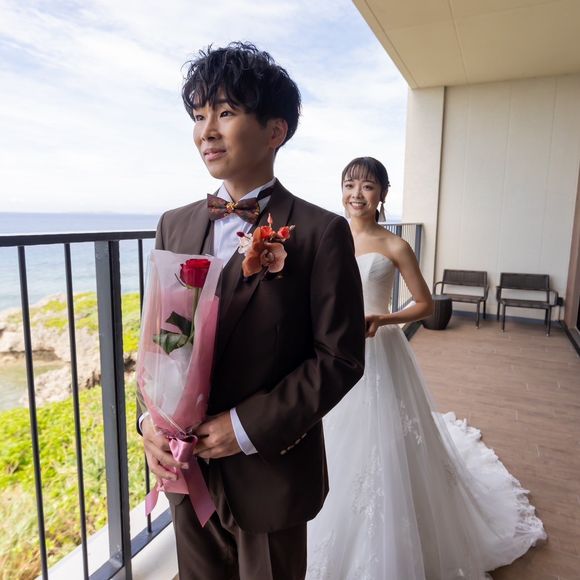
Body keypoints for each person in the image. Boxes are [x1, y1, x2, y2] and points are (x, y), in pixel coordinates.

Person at [138, 43, 366, 580]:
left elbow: (339, 359)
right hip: (186, 467)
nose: (206, 131)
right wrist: (150, 423)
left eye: (225, 112)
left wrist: (243, 428)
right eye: (198, 115)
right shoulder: (174, 224)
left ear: (274, 131)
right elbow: (159, 339)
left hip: (269, 471)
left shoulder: (321, 232)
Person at [306, 157, 547, 580]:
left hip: (378, 353)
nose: (356, 194)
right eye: (349, 184)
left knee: (381, 443)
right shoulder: (327, 235)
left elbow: (424, 304)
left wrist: (384, 318)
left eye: (367, 186)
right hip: (331, 352)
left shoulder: (395, 245)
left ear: (382, 194)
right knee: (330, 439)